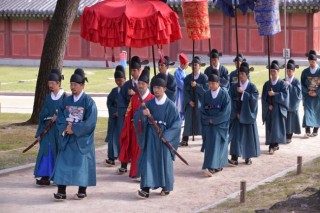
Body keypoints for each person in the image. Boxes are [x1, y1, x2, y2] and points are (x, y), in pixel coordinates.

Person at [52, 68, 97, 200]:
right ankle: (61, 190)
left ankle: (82, 189)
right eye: (71, 84)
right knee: (63, 162)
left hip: (81, 139)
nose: (72, 87)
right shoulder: (66, 101)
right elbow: (60, 116)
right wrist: (65, 128)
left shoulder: (89, 102)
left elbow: (90, 122)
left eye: (75, 85)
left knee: (81, 164)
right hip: (68, 137)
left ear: (82, 85)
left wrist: (75, 129)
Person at [134, 73, 181, 199]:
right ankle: (145, 189)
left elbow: (176, 123)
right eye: (154, 87)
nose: (156, 90)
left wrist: (166, 135)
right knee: (148, 161)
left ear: (164, 89)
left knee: (164, 161)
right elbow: (137, 116)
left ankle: (165, 186)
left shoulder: (170, 105)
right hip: (150, 137)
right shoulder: (148, 104)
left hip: (163, 138)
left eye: (159, 88)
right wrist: (143, 114)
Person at [117, 66, 154, 178]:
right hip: (135, 130)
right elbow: (129, 113)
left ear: (148, 85)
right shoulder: (134, 98)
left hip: (147, 131)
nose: (141, 86)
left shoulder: (152, 98)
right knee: (135, 151)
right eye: (139, 83)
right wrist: (129, 123)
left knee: (146, 152)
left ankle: (144, 174)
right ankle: (135, 172)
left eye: (143, 83)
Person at [34, 68, 66, 186]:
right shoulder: (48, 98)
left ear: (59, 83)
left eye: (52, 83)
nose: (50, 85)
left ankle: (58, 176)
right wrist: (46, 118)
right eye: (49, 83)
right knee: (46, 151)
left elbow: (67, 113)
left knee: (58, 152)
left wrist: (59, 118)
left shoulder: (65, 98)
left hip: (58, 130)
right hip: (48, 130)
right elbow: (43, 113)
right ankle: (45, 176)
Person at [228, 62, 260, 166]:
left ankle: (248, 157)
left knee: (248, 136)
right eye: (239, 74)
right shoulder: (233, 87)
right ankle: (234, 157)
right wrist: (236, 113)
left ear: (247, 75)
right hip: (236, 116)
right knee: (236, 137)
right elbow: (230, 101)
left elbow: (254, 100)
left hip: (247, 116)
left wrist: (243, 93)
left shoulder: (252, 87)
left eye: (242, 74)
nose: (240, 76)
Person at [201, 74, 231, 177]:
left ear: (218, 83)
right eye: (209, 83)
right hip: (208, 124)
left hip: (220, 125)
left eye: (213, 83)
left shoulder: (224, 94)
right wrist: (208, 119)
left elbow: (226, 111)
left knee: (218, 143)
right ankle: (211, 165)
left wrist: (215, 120)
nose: (211, 85)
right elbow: (202, 110)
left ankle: (215, 166)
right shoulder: (206, 95)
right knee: (210, 145)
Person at [179, 56, 209, 147]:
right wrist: (189, 101)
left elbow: (205, 92)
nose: (194, 66)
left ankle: (205, 139)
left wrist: (197, 85)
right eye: (193, 65)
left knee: (201, 120)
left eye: (196, 65)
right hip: (190, 103)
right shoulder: (188, 78)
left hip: (200, 102)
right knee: (188, 119)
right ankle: (185, 139)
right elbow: (185, 91)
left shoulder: (204, 78)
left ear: (199, 66)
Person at [261, 61, 289, 154]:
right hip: (269, 109)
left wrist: (275, 94)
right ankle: (274, 144)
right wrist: (267, 105)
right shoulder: (266, 84)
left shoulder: (282, 84)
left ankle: (272, 145)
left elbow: (285, 96)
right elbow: (263, 98)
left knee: (276, 127)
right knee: (270, 126)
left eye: (274, 71)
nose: (272, 73)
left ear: (278, 71)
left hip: (278, 109)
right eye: (271, 71)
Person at [105, 65, 126, 166]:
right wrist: (114, 111)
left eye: (120, 80)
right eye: (116, 80)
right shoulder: (114, 91)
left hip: (123, 119)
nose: (118, 82)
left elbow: (130, 105)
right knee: (113, 137)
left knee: (124, 137)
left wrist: (121, 112)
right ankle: (111, 157)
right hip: (114, 118)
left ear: (124, 79)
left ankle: (125, 158)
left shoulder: (128, 90)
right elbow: (109, 103)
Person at [301, 50, 320, 137]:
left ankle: (316, 129)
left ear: (316, 61)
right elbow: (301, 84)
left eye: (313, 61)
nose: (311, 63)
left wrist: (317, 93)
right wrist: (307, 91)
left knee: (317, 112)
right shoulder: (305, 72)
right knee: (307, 111)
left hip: (317, 96)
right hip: (308, 95)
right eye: (310, 61)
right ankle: (307, 129)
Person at [284, 59, 302, 143]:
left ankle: (289, 136)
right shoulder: (284, 80)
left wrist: (290, 86)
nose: (288, 72)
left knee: (291, 121)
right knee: (285, 120)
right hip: (285, 104)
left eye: (290, 71)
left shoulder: (296, 81)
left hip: (292, 104)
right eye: (287, 71)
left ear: (294, 71)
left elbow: (298, 93)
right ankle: (285, 135)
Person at [174, 53, 189, 125]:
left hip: (185, 93)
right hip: (180, 94)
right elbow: (180, 84)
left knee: (184, 108)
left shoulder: (185, 72)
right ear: (182, 64)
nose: (188, 66)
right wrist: (188, 86)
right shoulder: (176, 73)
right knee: (180, 108)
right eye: (187, 64)